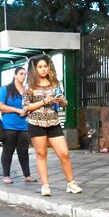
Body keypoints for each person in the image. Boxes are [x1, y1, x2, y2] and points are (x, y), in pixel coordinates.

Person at [22, 54, 82, 196]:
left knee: (64, 153)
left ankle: (71, 183)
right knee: (41, 153)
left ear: (49, 67)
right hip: (36, 123)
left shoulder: (55, 84)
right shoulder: (29, 86)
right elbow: (25, 107)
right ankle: (45, 185)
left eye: (45, 66)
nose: (43, 69)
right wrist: (44, 101)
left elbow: (65, 103)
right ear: (35, 69)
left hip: (53, 122)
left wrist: (60, 101)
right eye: (40, 67)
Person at [0, 67, 35, 184]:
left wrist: (28, 111)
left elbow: (30, 106)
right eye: (21, 74)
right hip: (9, 127)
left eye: (25, 74)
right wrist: (17, 110)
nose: (23, 76)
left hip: (23, 126)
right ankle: (6, 175)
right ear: (15, 75)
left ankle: (27, 175)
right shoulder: (6, 89)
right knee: (8, 151)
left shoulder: (27, 91)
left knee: (24, 151)